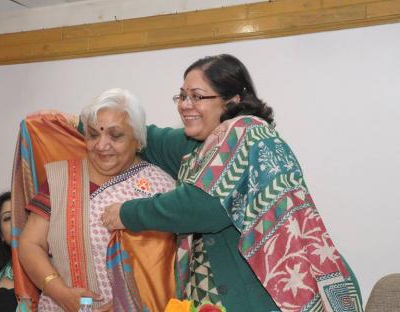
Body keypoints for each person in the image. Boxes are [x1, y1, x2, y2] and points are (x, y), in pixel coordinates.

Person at [102, 54, 363, 312]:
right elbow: (144, 136)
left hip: (268, 298)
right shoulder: (196, 148)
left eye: (197, 96)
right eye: (182, 96)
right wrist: (79, 122)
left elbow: (203, 205)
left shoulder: (248, 132)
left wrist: (126, 213)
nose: (184, 104)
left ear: (231, 101)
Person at [17, 88, 176, 311]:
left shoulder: (161, 187)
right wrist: (59, 292)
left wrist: (129, 303)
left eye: (115, 135)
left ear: (138, 140)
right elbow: (30, 243)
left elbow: (169, 263)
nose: (101, 145)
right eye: (93, 134)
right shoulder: (62, 179)